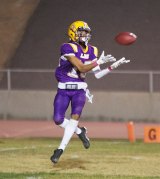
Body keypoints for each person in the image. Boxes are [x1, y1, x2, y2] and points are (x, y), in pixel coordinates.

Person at [50, 20, 130, 164]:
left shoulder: (93, 50)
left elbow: (97, 74)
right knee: (58, 119)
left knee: (74, 119)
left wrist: (112, 66)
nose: (85, 35)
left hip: (80, 91)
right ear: (73, 32)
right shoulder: (67, 47)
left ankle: (59, 150)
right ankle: (80, 132)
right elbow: (81, 67)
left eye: (87, 32)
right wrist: (98, 62)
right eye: (82, 32)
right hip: (63, 88)